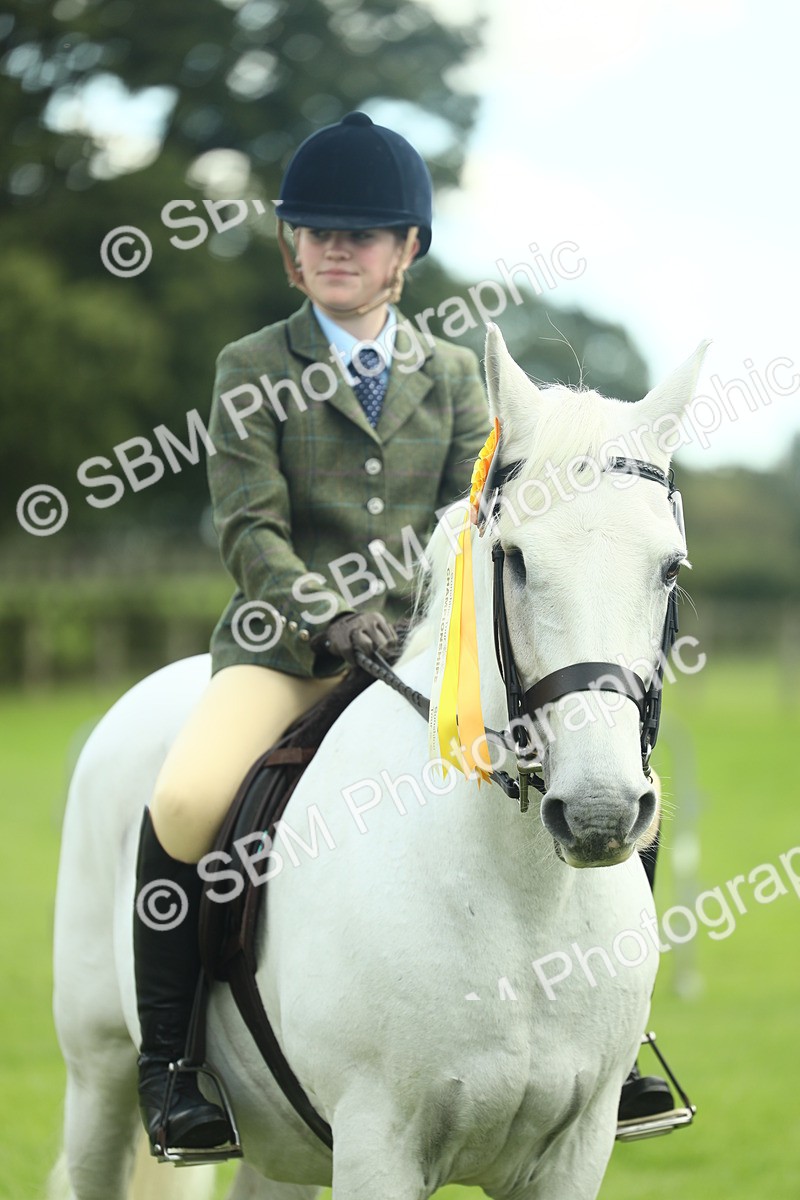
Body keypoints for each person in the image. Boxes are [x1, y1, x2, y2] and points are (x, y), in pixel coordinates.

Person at [132, 111, 490, 1156]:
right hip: (285, 654)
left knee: (587, 782)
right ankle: (169, 1065)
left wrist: (425, 624)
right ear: (291, 247)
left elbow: (466, 523)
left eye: (363, 233)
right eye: (316, 231)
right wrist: (325, 614)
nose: (337, 247)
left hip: (419, 654)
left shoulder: (458, 375)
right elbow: (250, 527)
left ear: (406, 251)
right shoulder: (249, 364)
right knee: (189, 799)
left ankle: (610, 1049)